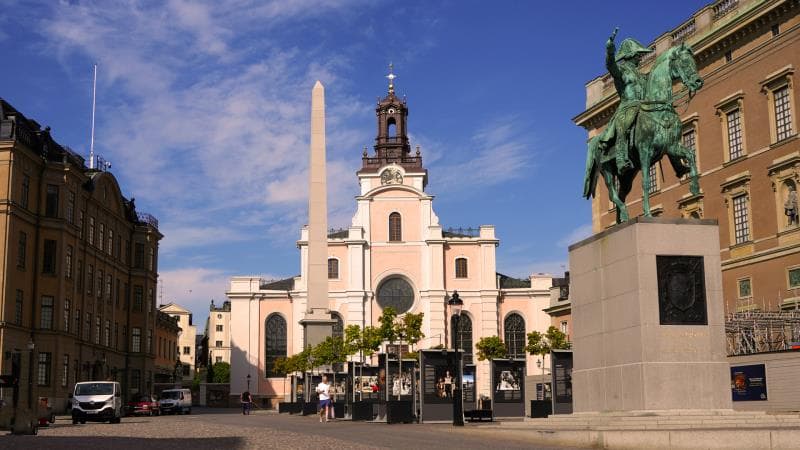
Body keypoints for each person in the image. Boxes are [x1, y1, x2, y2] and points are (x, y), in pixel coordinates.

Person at [597, 27, 653, 174]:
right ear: (631, 55)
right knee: (625, 124)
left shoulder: (641, 76)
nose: (640, 58)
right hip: (628, 106)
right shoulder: (621, 71)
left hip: (643, 105)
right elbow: (610, 65)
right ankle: (621, 158)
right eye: (638, 55)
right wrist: (610, 50)